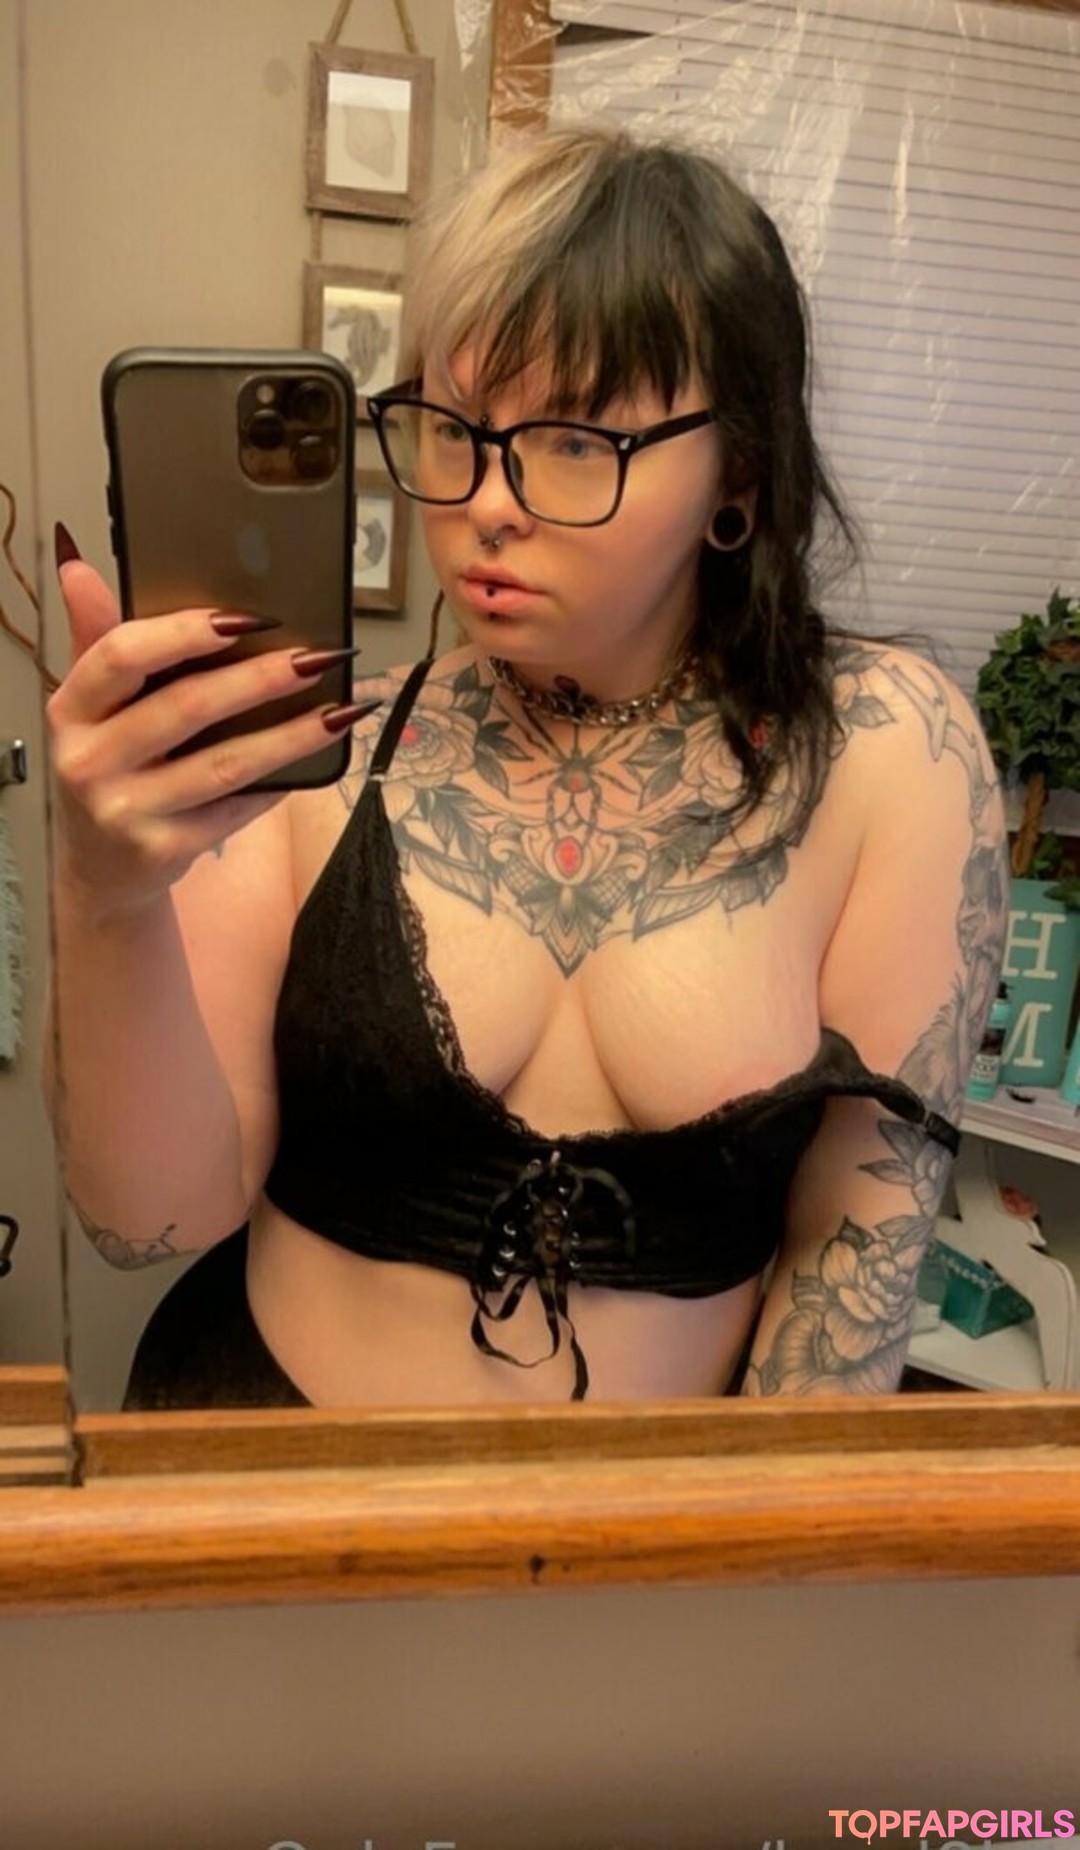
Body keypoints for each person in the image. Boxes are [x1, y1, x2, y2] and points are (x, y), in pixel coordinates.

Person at [46, 126, 1007, 1410]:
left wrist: (743, 1535)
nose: (486, 501)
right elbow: (149, 1219)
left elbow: (852, 1252)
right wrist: (104, 893)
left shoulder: (888, 754)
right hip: (262, 1466)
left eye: (575, 438)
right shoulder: (313, 749)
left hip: (653, 1523)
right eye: (453, 426)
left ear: (739, 468)